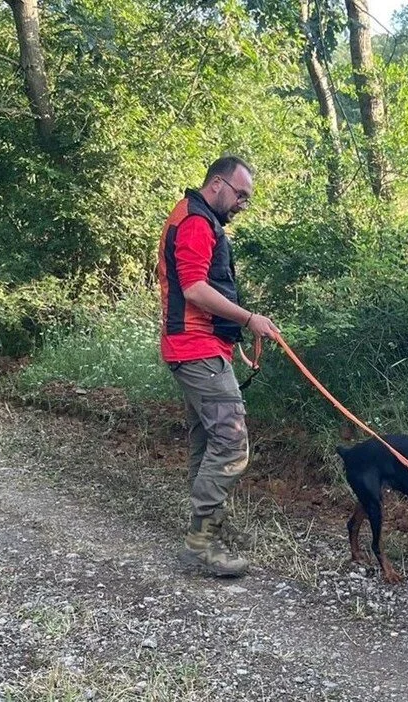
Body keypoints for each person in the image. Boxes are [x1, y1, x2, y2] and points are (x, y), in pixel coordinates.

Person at [157, 155, 279, 577]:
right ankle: (202, 543)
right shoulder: (195, 221)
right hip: (195, 349)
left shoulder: (197, 216)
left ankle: (204, 533)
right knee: (230, 443)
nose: (243, 204)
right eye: (240, 195)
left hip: (198, 348)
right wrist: (249, 319)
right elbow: (194, 289)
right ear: (217, 185)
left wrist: (233, 336)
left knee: (207, 443)